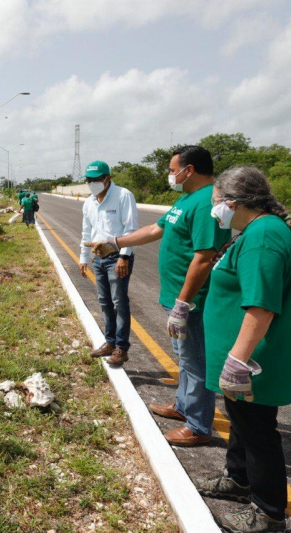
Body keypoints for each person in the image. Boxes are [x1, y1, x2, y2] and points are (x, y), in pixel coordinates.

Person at [88, 145, 231, 446]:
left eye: (171, 169)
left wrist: (182, 303)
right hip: (176, 295)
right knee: (184, 357)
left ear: (188, 170)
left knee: (195, 361)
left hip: (191, 299)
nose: (169, 175)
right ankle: (183, 407)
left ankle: (198, 425)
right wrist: (116, 242)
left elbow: (204, 257)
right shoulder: (186, 199)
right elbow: (155, 228)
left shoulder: (207, 202)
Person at [194, 167, 291, 533]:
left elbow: (261, 306)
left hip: (256, 358)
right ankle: (238, 478)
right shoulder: (259, 231)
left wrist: (236, 360)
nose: (215, 209)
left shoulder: (263, 238)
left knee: (258, 431)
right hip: (250, 356)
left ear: (232, 202)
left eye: (216, 203)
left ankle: (268, 512)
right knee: (242, 422)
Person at [79, 160, 139, 366]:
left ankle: (121, 348)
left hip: (117, 257)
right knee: (104, 302)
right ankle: (110, 342)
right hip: (99, 257)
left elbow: (131, 229)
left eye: (96, 179)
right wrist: (83, 258)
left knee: (119, 302)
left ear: (108, 178)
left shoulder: (123, 196)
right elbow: (86, 232)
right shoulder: (89, 202)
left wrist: (124, 256)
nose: (92, 183)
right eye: (89, 180)